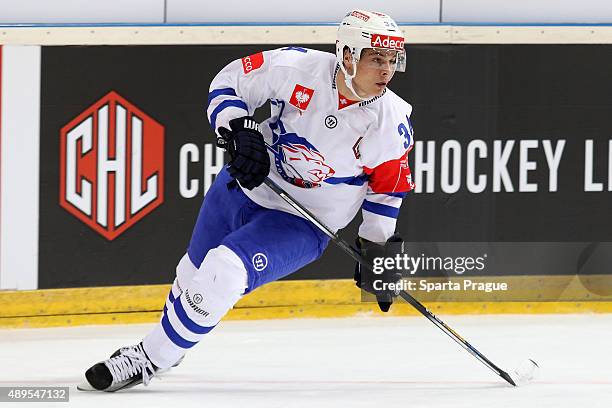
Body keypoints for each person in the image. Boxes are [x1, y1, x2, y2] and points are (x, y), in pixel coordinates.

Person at [79, 9, 415, 392]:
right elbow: (230, 81)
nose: (387, 70)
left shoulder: (391, 120)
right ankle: (169, 346)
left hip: (303, 221)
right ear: (348, 54)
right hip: (243, 185)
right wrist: (238, 128)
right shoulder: (296, 67)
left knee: (223, 271)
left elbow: (387, 189)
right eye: (377, 58)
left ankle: (149, 358)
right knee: (192, 276)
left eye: (393, 59)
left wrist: (377, 248)